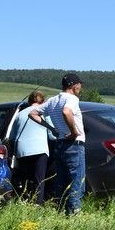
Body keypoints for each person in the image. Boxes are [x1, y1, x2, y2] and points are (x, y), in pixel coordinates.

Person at [30, 73, 85, 215]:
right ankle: (74, 215)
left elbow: (33, 113)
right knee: (76, 182)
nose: (80, 88)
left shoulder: (53, 100)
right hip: (73, 144)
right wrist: (74, 132)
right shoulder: (72, 99)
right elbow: (67, 112)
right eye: (80, 85)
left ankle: (60, 212)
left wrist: (52, 129)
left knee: (61, 182)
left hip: (59, 144)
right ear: (74, 85)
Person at [8, 90, 53, 204]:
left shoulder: (20, 114)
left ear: (29, 101)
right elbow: (52, 135)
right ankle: (37, 204)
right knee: (39, 181)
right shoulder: (43, 113)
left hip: (22, 150)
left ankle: (24, 201)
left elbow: (12, 137)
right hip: (39, 150)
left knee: (25, 180)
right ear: (43, 101)